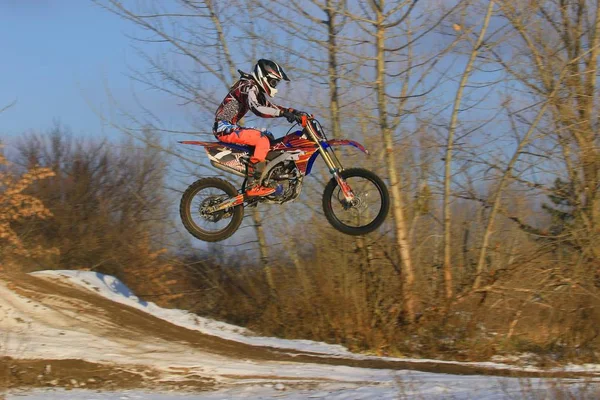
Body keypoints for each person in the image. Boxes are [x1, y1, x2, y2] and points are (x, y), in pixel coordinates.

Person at [213, 59, 299, 197]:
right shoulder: (247, 86)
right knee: (262, 140)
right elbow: (258, 108)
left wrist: (292, 111)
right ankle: (253, 184)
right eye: (273, 82)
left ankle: (265, 176)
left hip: (230, 126)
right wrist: (283, 113)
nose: (274, 86)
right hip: (224, 127)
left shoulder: (253, 87)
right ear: (263, 76)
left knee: (268, 135)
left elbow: (269, 106)